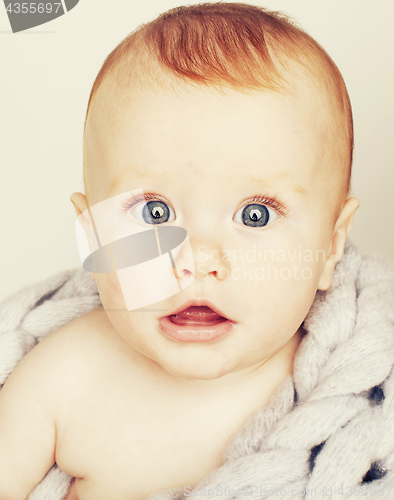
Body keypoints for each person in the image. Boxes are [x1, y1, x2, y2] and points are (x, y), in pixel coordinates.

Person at [0, 3, 376, 499]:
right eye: (155, 212)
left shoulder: (354, 399)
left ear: (330, 245)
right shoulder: (62, 380)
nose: (198, 260)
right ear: (93, 238)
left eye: (255, 215)